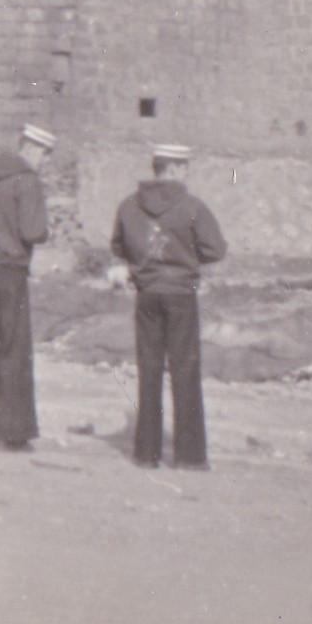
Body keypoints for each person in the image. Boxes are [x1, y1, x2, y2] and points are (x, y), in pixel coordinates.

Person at [111, 144, 227, 471]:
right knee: (185, 370)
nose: (187, 174)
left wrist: (143, 263)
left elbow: (118, 245)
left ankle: (146, 453)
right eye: (185, 167)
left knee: (149, 370)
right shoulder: (193, 207)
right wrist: (185, 258)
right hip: (180, 293)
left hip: (147, 293)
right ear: (174, 168)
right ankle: (189, 456)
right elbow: (215, 250)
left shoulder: (128, 206)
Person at [0, 123, 54, 451]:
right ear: (32, 148)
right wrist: (43, 230)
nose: (45, 161)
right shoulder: (27, 181)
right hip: (11, 273)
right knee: (16, 352)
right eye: (45, 154)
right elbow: (33, 231)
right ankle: (14, 435)